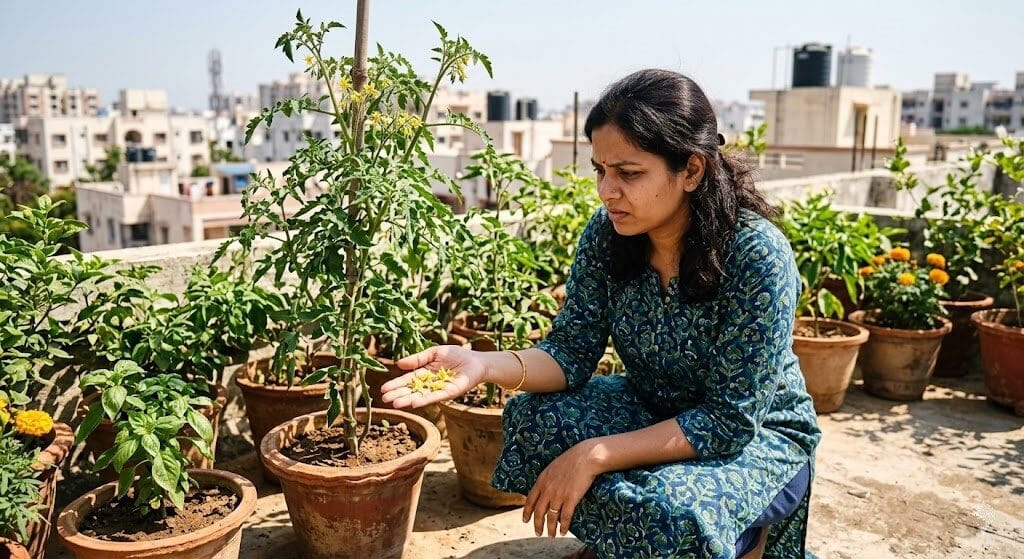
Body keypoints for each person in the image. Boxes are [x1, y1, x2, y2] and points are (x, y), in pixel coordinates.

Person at [381, 69, 820, 559]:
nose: (606, 191)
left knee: (672, 510)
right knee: (533, 417)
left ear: (691, 171)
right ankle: (621, 544)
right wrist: (483, 365)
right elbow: (570, 352)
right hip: (653, 404)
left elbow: (728, 421)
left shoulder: (756, 254)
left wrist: (595, 454)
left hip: (755, 438)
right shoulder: (609, 233)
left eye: (628, 174)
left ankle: (743, 541)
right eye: (600, 170)